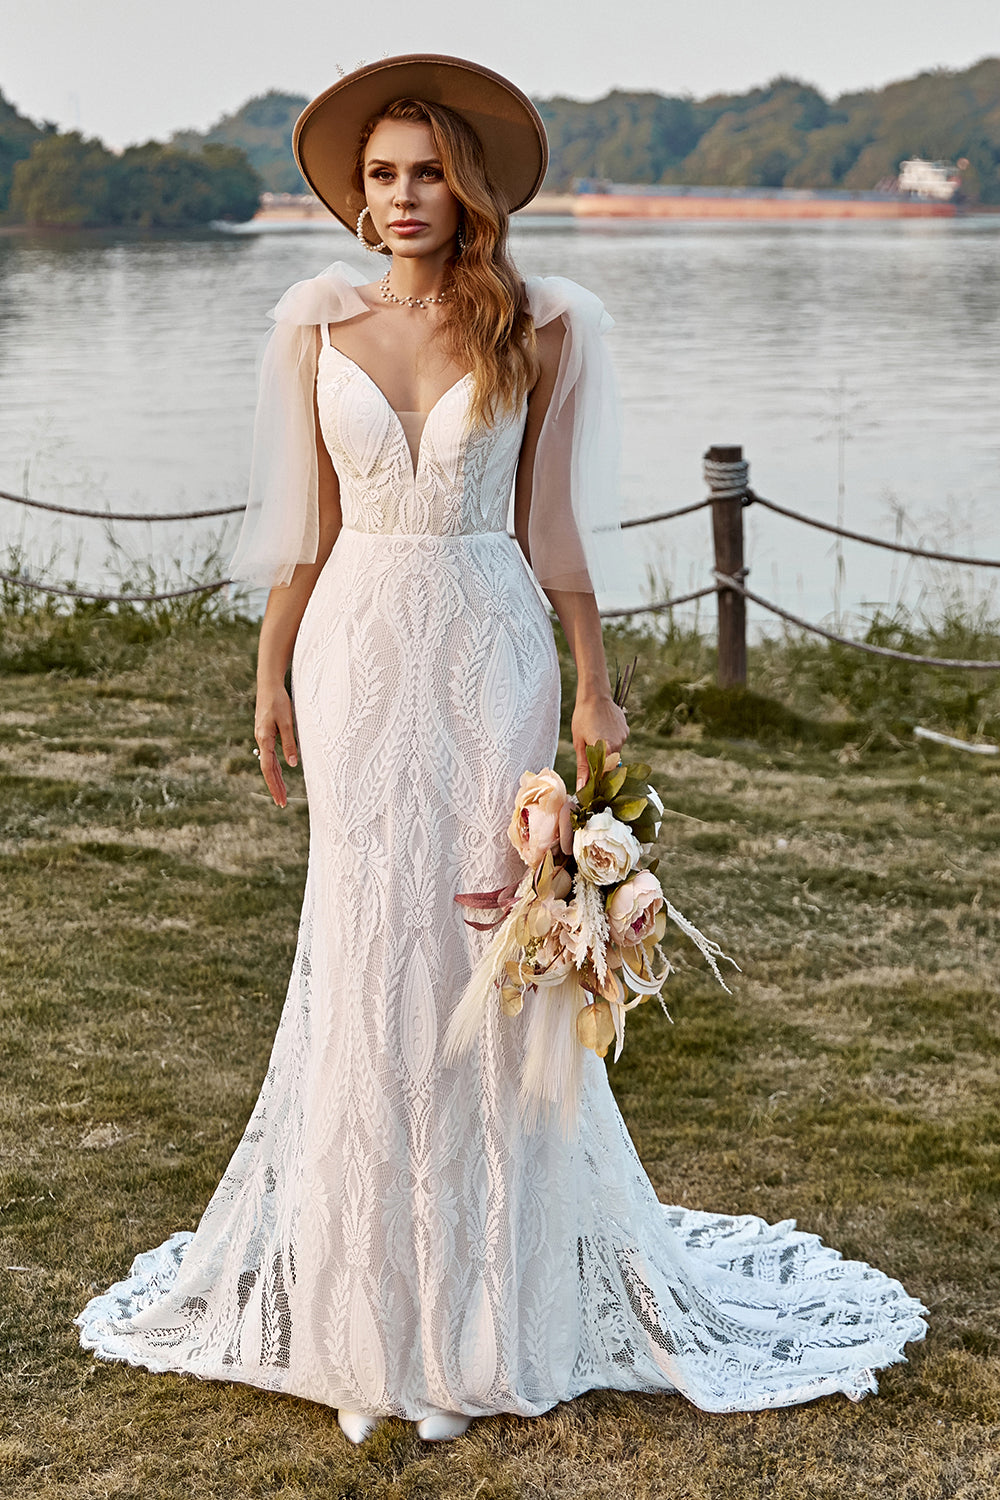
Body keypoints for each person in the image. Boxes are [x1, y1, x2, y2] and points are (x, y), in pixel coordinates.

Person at [76, 54, 927, 1446]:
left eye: (426, 172)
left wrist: (596, 685)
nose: (402, 198)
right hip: (354, 648)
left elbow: (554, 536)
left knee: (492, 934)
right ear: (355, 196)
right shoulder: (314, 326)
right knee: (366, 936)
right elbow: (306, 530)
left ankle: (493, 1297)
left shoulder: (542, 325)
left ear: (467, 186)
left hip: (488, 643)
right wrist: (270, 667)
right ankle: (369, 1305)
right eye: (380, 176)